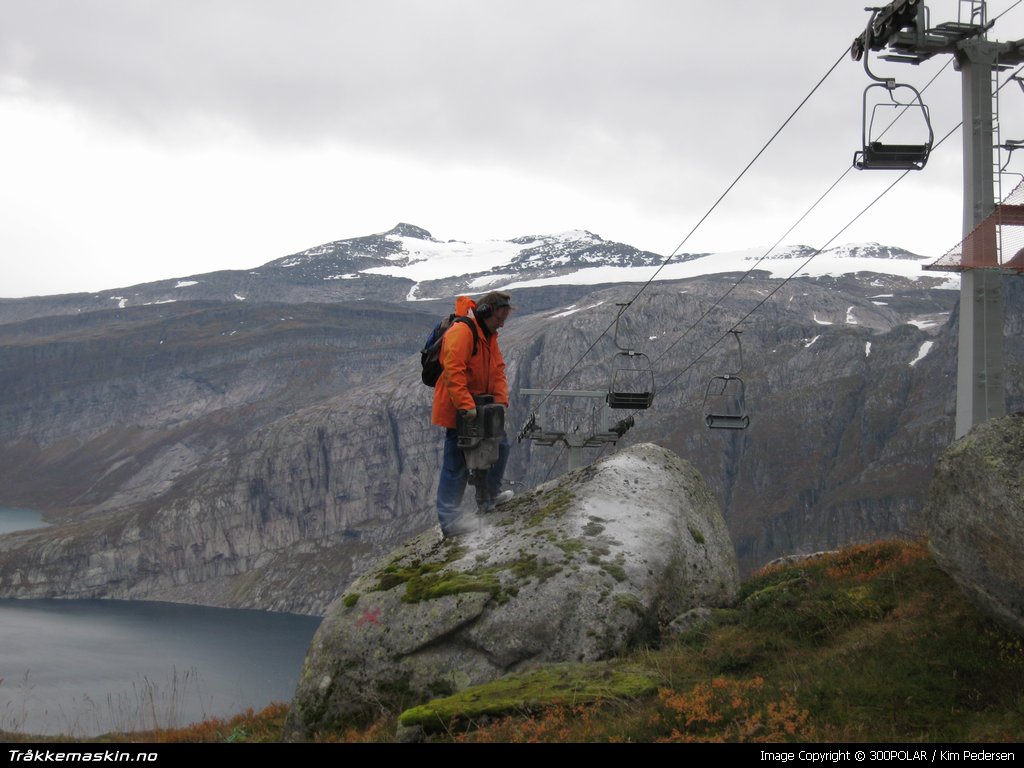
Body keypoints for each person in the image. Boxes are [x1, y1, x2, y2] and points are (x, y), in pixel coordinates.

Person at [431, 291, 514, 537]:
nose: (502, 323)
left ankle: (488, 498)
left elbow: (498, 370)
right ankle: (449, 521)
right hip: (462, 408)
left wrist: (500, 402)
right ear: (485, 312)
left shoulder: (489, 336)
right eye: (499, 317)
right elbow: (453, 370)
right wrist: (466, 406)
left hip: (484, 408)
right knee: (456, 462)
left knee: (501, 445)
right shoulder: (463, 332)